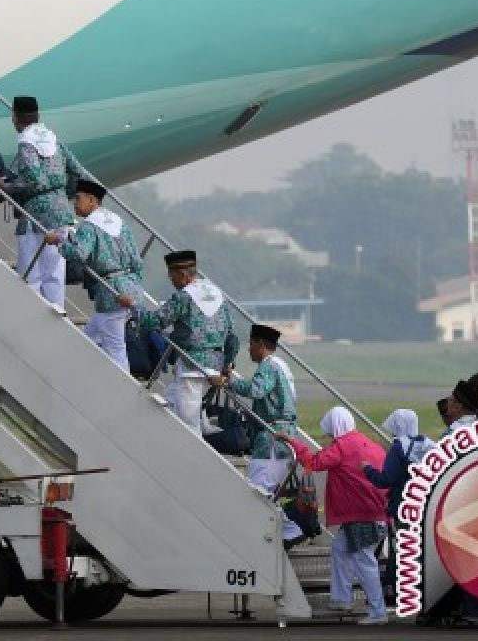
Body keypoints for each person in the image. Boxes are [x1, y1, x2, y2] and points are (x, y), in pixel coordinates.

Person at [284, 408, 389, 625]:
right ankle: (341, 599)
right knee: (340, 549)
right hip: (375, 512)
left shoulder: (342, 446)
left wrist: (293, 442)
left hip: (359, 515)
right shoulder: (371, 444)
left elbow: (313, 462)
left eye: (330, 432)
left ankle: (377, 612)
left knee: (364, 561)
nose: (329, 437)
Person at [121, 251, 235, 430]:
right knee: (170, 399)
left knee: (188, 426)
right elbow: (232, 337)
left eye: (171, 275)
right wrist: (227, 365)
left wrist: (132, 305)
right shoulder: (216, 293)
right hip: (214, 366)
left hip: (192, 368)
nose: (170, 280)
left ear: (182, 275)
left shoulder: (184, 296)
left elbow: (154, 321)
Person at [43, 179, 144, 372]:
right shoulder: (119, 222)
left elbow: (78, 254)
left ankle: (122, 391)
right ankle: (70, 373)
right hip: (129, 288)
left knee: (116, 350)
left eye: (78, 198)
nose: (75, 202)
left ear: (92, 200)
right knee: (85, 340)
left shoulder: (88, 226)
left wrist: (57, 241)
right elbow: (138, 262)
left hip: (111, 293)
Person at [2, 96, 89, 309]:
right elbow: (79, 173)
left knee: (30, 272)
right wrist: (64, 193)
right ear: (37, 116)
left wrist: (7, 188)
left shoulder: (26, 142)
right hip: (61, 212)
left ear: (16, 117)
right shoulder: (54, 140)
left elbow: (33, 180)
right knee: (54, 271)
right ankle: (56, 314)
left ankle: (29, 314)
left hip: (35, 216)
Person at [222, 322, 303, 546]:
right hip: (283, 437)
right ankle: (286, 530)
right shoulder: (282, 366)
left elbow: (256, 390)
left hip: (272, 440)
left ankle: (290, 529)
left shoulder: (268, 366)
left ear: (260, 344)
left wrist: (230, 382)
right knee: (266, 493)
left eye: (251, 344)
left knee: (255, 491)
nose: (248, 349)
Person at [363, 409, 436, 595]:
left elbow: (386, 479)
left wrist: (367, 469)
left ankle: (399, 590)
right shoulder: (430, 445)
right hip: (428, 506)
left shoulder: (398, 447)